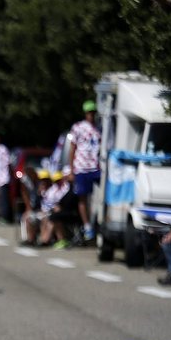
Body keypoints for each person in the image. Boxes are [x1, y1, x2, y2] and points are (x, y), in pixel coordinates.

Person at [69, 100, 102, 242]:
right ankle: (87, 225)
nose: (91, 115)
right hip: (81, 167)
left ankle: (97, 221)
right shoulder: (77, 127)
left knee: (97, 197)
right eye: (89, 113)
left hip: (96, 167)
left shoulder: (99, 128)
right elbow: (72, 148)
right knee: (83, 197)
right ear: (85, 113)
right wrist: (71, 170)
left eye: (93, 112)